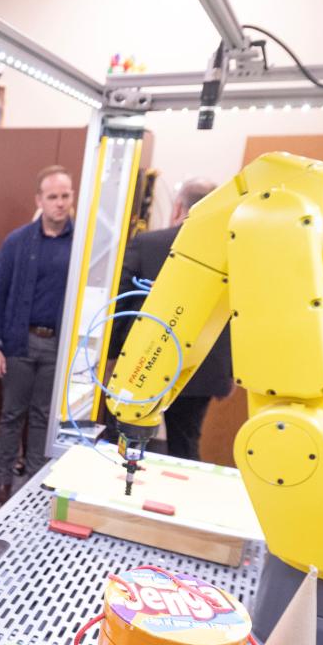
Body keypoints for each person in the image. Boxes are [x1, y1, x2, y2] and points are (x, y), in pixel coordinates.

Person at [109, 177, 231, 461]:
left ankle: (121, 495)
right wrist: (228, 372)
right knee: (184, 446)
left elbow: (121, 303)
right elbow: (234, 316)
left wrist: (113, 357)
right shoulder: (230, 254)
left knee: (127, 440)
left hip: (142, 364)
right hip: (200, 370)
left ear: (178, 207)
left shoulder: (147, 244)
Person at [0, 165, 75, 508]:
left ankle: (36, 480)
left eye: (65, 196)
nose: (60, 203)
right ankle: (3, 479)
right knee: (11, 415)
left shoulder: (81, 243)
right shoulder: (17, 241)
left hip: (58, 346)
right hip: (19, 342)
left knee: (43, 417)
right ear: (40, 200)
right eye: (53, 197)